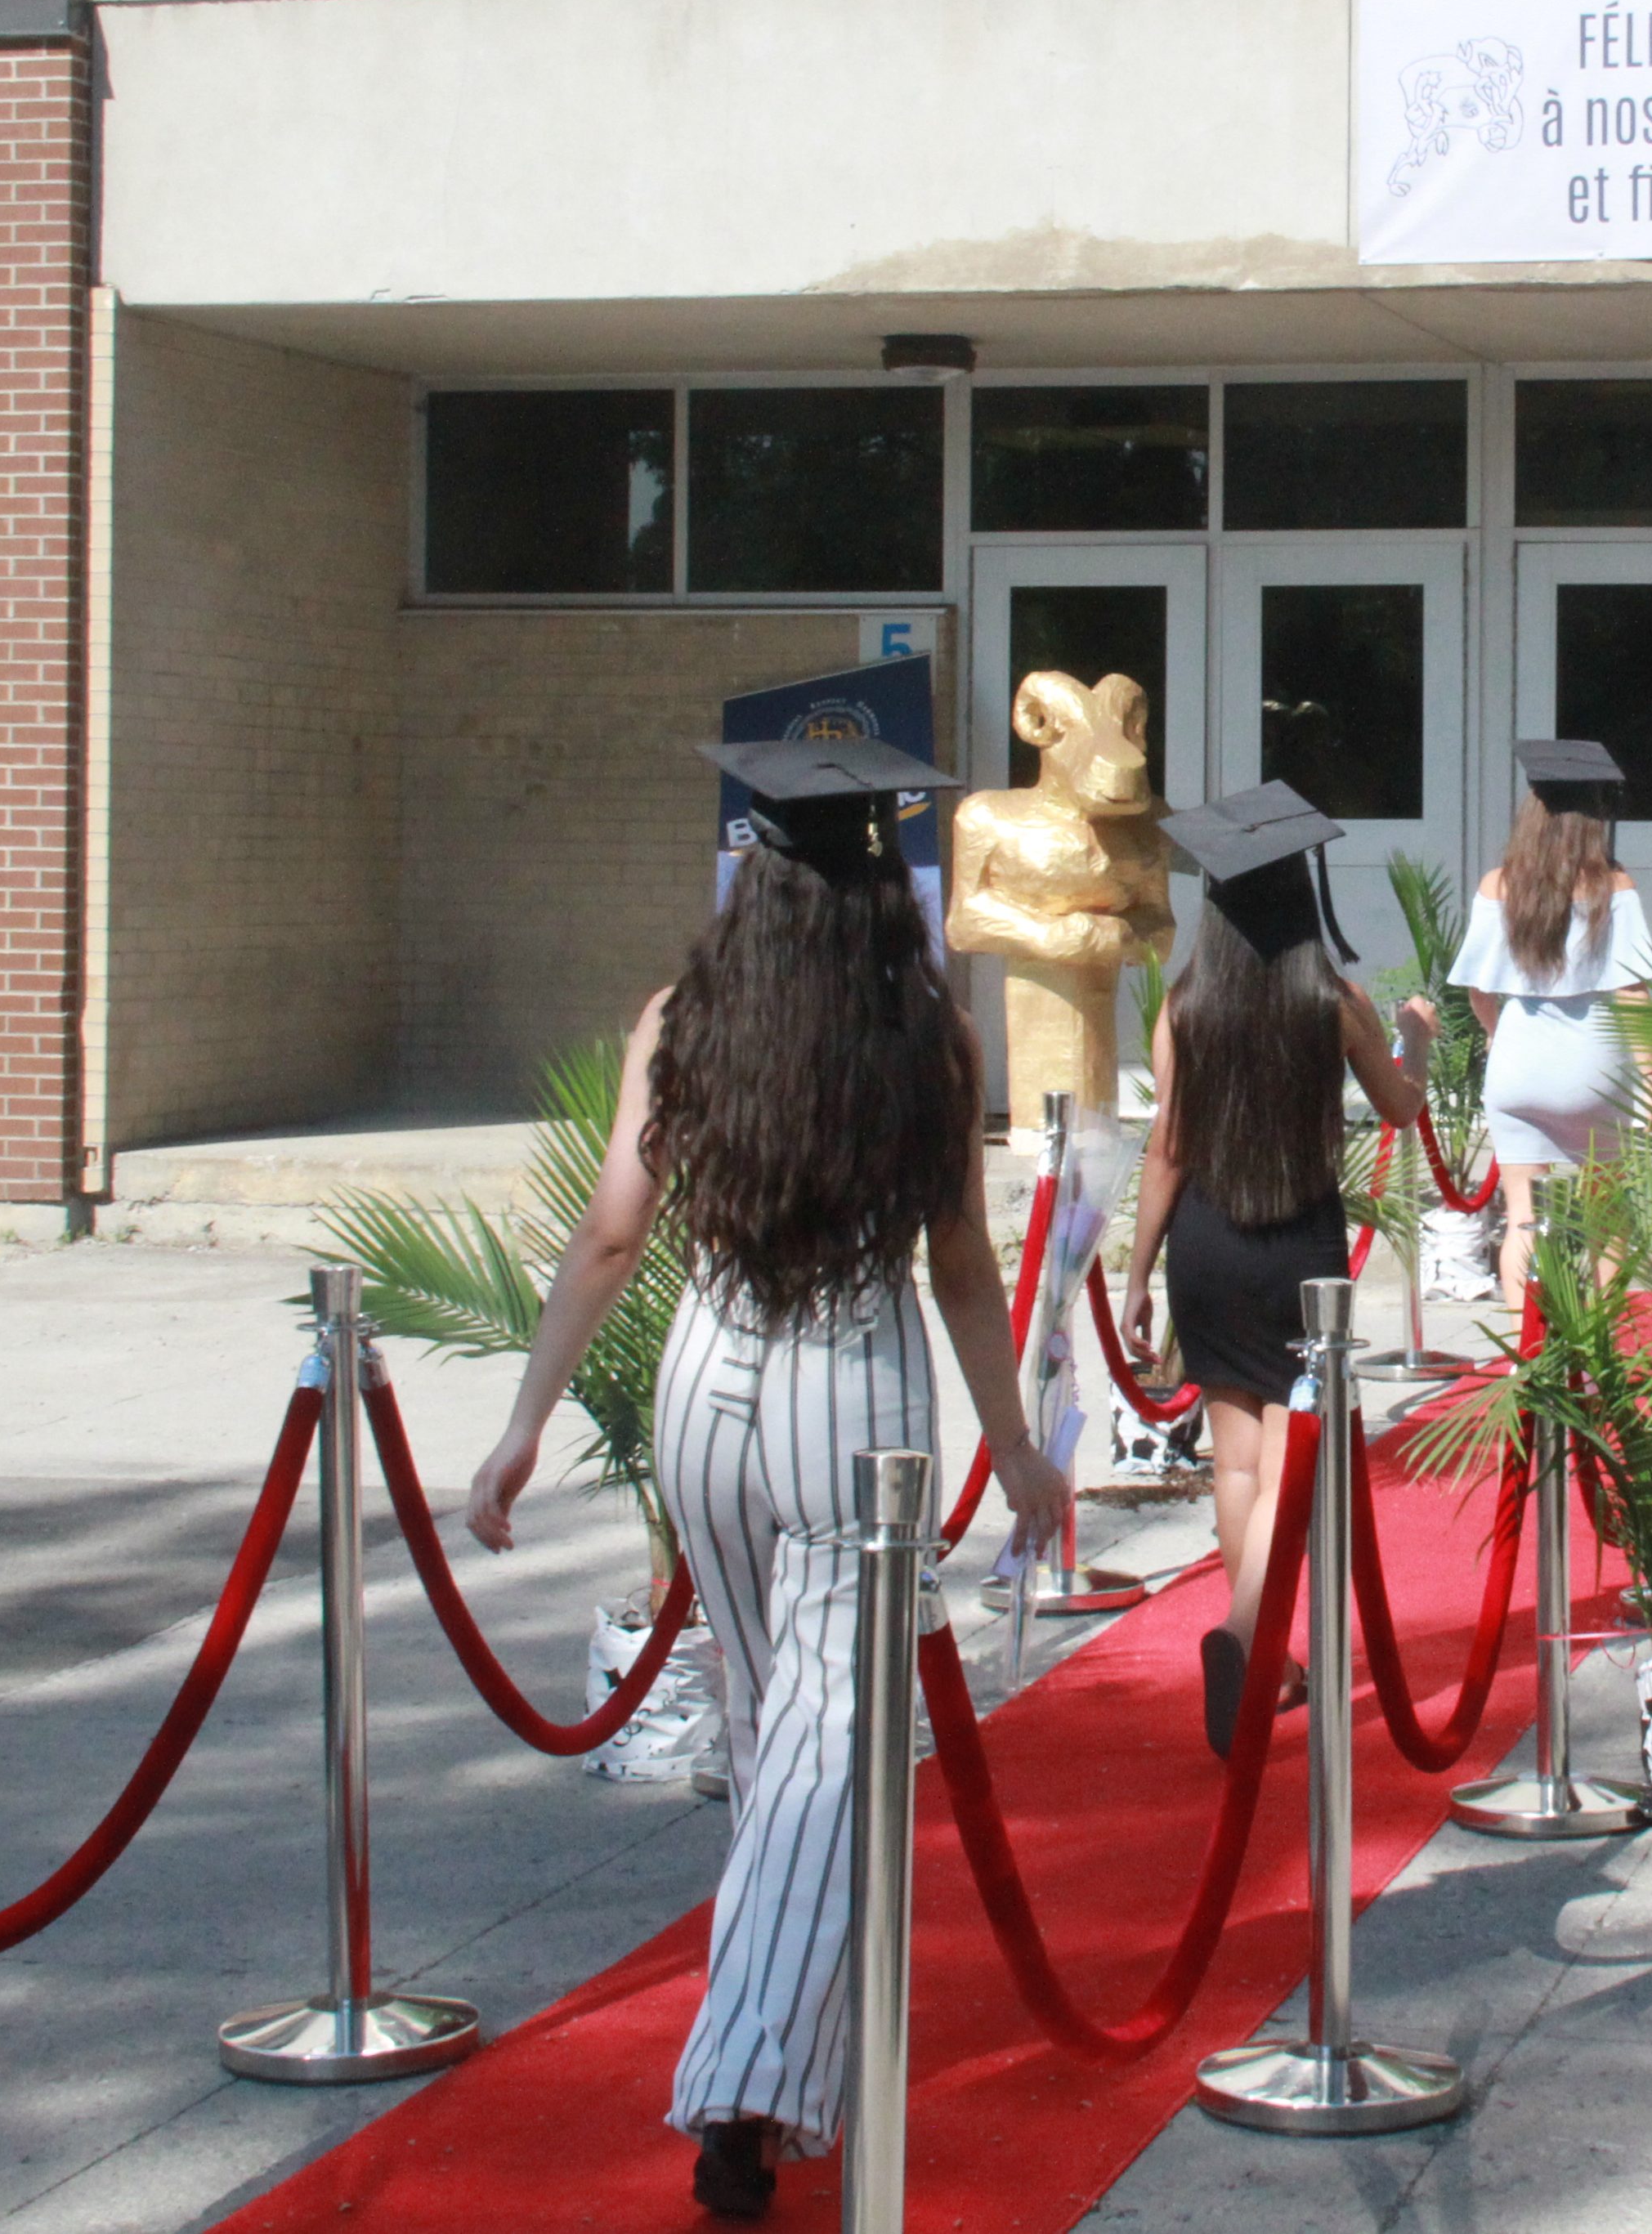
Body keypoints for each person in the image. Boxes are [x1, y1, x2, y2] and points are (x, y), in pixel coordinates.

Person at [458, 735, 1069, 2218]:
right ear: (882, 884)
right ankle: (743, 2082)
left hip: (704, 1384)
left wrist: (525, 1415)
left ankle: (775, 2045)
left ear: (754, 875)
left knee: (765, 1724)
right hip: (851, 1391)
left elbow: (611, 1230)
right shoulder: (929, 1040)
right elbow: (964, 1269)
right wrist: (1019, 1441)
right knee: (825, 1746)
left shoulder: (681, 1018)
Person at [1116, 781, 1435, 1757]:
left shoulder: (1186, 1006)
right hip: (1300, 1245)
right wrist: (1413, 1034)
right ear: (1299, 893)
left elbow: (1166, 1147)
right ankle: (1251, 1638)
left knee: (1240, 1463)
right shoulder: (1332, 1000)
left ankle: (1270, 1653)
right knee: (1290, 1465)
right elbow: (1397, 1108)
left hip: (1205, 1244)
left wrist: (1134, 1275)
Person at [1447, 738, 1652, 1300]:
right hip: (1593, 1064)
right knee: (1609, 1222)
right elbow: (1632, 990)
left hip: (1518, 1061)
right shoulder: (1614, 886)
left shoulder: (1498, 885)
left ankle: (1526, 1356)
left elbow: (1479, 990)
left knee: (1522, 1215)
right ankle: (1606, 1351)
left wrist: (1498, 1037)